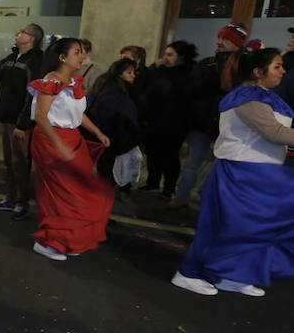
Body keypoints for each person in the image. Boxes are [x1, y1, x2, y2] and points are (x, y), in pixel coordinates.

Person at [171, 47, 293, 297]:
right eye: (277, 66)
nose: (283, 71)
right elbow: (274, 133)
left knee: (251, 229)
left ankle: (233, 274)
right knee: (223, 227)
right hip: (241, 173)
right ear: (258, 72)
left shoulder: (262, 96)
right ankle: (188, 273)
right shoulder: (248, 98)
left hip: (261, 174)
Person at [29, 37, 114, 261]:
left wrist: (97, 132)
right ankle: (49, 241)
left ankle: (69, 239)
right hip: (51, 141)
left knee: (82, 191)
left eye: (82, 52)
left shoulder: (74, 81)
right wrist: (57, 144)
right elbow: (41, 117)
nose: (82, 56)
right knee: (61, 193)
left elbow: (78, 114)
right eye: (77, 52)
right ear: (62, 57)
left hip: (73, 140)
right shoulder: (51, 80)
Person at [169, 24, 246, 209]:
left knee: (221, 165)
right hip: (201, 123)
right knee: (192, 163)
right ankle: (182, 196)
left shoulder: (244, 65)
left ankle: (206, 196)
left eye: (224, 39)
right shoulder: (208, 63)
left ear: (236, 43)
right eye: (219, 37)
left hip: (230, 125)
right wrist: (211, 78)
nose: (218, 42)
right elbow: (189, 90)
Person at [0, 23, 45, 221]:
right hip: (6, 117)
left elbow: (33, 95)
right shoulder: (13, 57)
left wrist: (23, 124)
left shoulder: (36, 61)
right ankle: (9, 198)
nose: (17, 33)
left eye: (22, 32)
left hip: (20, 120)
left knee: (20, 162)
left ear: (32, 38)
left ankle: (22, 203)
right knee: (9, 162)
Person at [141, 41, 198, 198]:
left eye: (170, 54)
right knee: (153, 153)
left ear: (181, 57)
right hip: (155, 120)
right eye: (165, 54)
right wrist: (154, 68)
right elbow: (148, 88)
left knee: (170, 156)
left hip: (175, 123)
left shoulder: (188, 74)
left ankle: (169, 188)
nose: (165, 58)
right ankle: (152, 182)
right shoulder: (160, 71)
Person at [86, 58, 142, 189]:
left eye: (134, 72)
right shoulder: (114, 92)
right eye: (129, 72)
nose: (133, 75)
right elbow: (115, 118)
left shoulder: (109, 85)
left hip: (109, 139)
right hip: (113, 140)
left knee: (108, 172)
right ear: (119, 74)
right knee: (110, 175)